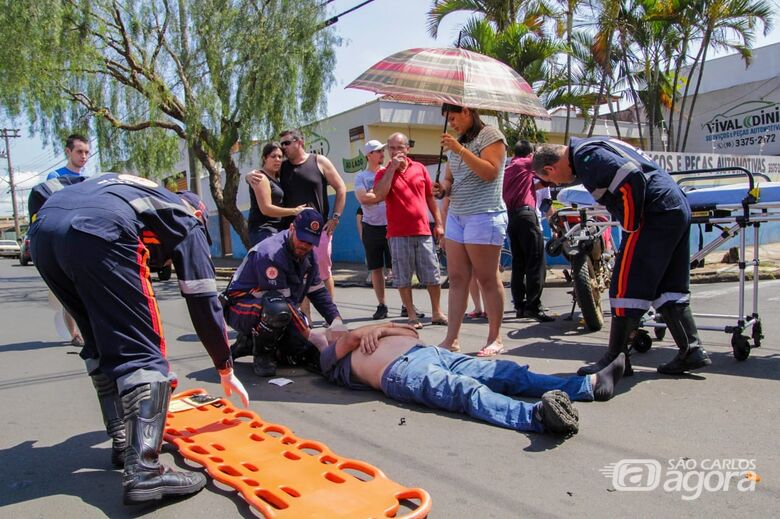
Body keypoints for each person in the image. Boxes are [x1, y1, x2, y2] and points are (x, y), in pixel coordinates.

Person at [28, 173, 248, 506]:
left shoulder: (126, 189)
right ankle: (144, 470)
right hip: (100, 232)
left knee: (99, 338)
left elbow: (41, 192)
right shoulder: (187, 217)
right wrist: (224, 366)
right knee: (143, 351)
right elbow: (203, 298)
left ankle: (122, 439)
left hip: (44, 233)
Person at [532, 138, 712, 376]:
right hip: (673, 207)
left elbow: (631, 180)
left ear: (550, 169)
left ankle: (615, 359)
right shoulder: (593, 147)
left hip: (654, 213)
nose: (557, 183)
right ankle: (692, 349)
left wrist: (630, 227)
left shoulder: (587, 157)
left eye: (551, 180)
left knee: (625, 285)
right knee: (668, 285)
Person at [305, 322, 626, 436]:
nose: (333, 327)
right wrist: (359, 332)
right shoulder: (330, 358)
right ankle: (538, 417)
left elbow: (410, 331)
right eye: (326, 330)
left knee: (505, 373)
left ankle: (588, 386)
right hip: (402, 373)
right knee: (466, 391)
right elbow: (346, 340)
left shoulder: (366, 336)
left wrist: (384, 329)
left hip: (429, 352)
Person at [224, 209, 347, 377]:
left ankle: (249, 342)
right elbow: (283, 305)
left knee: (302, 352)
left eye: (310, 242)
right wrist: (311, 334)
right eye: (302, 239)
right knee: (278, 310)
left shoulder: (309, 257)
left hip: (276, 307)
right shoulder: (271, 254)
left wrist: (336, 321)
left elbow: (317, 291)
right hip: (240, 308)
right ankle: (262, 354)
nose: (305, 245)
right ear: (291, 229)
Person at [433, 104, 508, 356]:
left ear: (467, 111)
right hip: (458, 215)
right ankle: (451, 339)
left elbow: (490, 172)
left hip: (484, 214)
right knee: (456, 279)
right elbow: (450, 180)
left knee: (486, 277)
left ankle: (494, 337)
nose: (451, 123)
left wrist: (460, 150)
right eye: (448, 119)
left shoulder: (490, 135)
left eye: (453, 117)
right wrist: (442, 189)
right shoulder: (457, 143)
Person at [372, 133, 448, 329]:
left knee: (432, 274)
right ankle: (411, 315)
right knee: (403, 276)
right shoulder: (383, 173)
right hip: (398, 234)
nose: (395, 152)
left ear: (408, 149)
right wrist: (392, 169)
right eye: (391, 148)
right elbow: (380, 194)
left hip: (422, 231)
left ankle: (437, 312)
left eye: (399, 147)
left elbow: (430, 198)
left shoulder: (420, 168)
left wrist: (439, 223)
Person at [278, 129, 347, 317]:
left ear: (300, 142)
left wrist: (335, 218)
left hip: (318, 230)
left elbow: (341, 188)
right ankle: (305, 317)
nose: (283, 147)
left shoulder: (319, 161)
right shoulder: (282, 168)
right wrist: (250, 175)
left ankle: (332, 317)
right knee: (298, 274)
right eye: (281, 144)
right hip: (292, 232)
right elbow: (263, 174)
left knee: (323, 272)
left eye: (286, 143)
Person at [45, 134, 92, 346]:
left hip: (83, 239)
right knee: (69, 290)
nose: (84, 156)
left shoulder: (88, 180)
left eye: (87, 152)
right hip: (62, 239)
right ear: (68, 152)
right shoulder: (55, 177)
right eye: (79, 151)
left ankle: (88, 331)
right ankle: (75, 334)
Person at [503, 140, 554, 322]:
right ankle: (534, 305)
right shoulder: (526, 163)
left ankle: (520, 305)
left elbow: (534, 186)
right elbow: (546, 168)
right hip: (526, 216)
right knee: (536, 261)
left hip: (511, 218)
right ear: (530, 154)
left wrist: (544, 183)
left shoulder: (509, 168)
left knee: (519, 263)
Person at [354, 140, 392, 320]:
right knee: (376, 269)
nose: (382, 153)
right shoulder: (360, 177)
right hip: (371, 228)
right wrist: (381, 194)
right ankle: (382, 305)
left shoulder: (388, 172)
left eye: (383, 150)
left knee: (399, 267)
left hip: (392, 226)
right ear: (369, 155)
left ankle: (407, 305)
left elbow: (376, 196)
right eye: (378, 151)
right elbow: (363, 199)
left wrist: (374, 194)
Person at [246, 142, 306, 246]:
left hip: (277, 231)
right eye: (273, 156)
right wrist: (295, 211)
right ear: (265, 158)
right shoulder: (261, 177)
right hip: (264, 232)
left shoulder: (276, 178)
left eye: (280, 157)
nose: (277, 159)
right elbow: (266, 209)